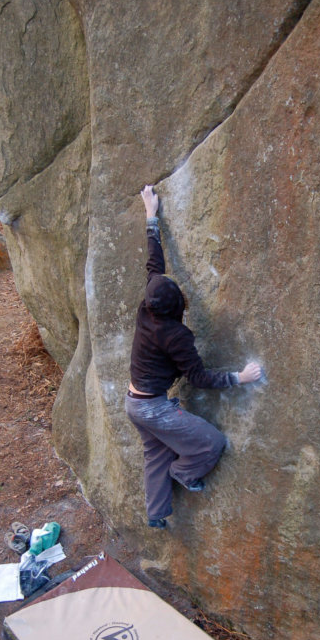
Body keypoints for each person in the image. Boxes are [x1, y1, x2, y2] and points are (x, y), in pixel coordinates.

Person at [125, 184, 262, 529]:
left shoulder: (148, 304)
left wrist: (151, 216)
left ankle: (156, 515)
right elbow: (198, 378)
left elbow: (154, 265)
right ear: (178, 308)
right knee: (211, 443)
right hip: (153, 408)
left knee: (155, 452)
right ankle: (184, 472)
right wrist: (240, 378)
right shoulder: (176, 336)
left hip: (135, 402)